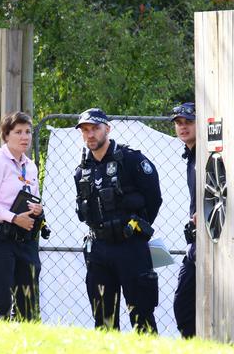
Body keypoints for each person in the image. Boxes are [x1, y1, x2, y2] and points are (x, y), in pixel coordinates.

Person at [74, 108, 163, 334]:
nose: (90, 134)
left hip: (130, 247)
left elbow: (154, 198)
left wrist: (135, 228)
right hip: (99, 249)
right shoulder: (82, 170)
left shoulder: (131, 159)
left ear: (107, 129)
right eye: (85, 130)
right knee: (103, 319)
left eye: (95, 128)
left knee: (141, 315)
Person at [0, 111, 43, 320]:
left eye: (28, 132)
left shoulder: (30, 165)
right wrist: (13, 218)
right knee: (0, 302)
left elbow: (34, 198)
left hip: (25, 239)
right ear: (6, 136)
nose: (25, 137)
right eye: (18, 132)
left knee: (28, 303)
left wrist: (37, 209)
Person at [170, 102, 197, 338]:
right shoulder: (191, 156)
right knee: (183, 305)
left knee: (186, 304)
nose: (183, 127)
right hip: (197, 241)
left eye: (188, 122)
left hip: (215, 235)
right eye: (179, 123)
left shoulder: (209, 155)